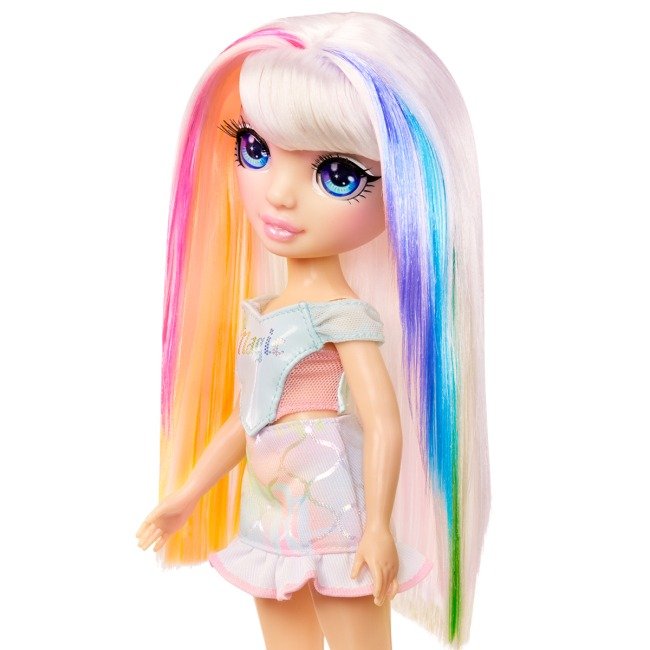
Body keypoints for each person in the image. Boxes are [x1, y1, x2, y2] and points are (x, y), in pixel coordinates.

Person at [135, 11, 490, 649]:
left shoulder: (342, 315)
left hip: (334, 508)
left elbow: (382, 424)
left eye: (338, 175)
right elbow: (250, 417)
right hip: (268, 508)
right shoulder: (264, 310)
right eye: (255, 149)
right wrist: (186, 494)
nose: (278, 193)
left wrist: (377, 525)